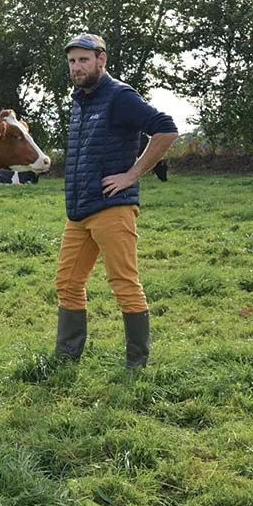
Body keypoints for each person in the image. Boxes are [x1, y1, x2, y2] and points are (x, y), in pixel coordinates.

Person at [55, 34, 178, 368]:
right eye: (72, 62)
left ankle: (136, 365)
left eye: (83, 60)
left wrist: (131, 175)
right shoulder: (80, 101)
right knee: (67, 283)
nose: (76, 67)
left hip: (113, 206)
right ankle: (65, 361)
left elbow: (166, 129)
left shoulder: (120, 96)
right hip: (79, 210)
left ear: (101, 59)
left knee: (123, 284)